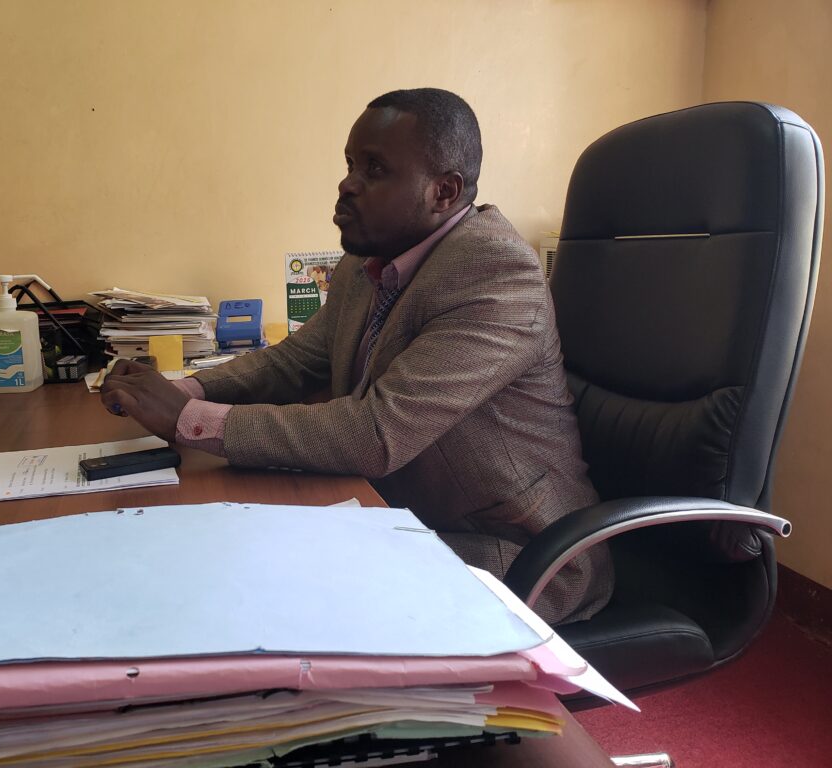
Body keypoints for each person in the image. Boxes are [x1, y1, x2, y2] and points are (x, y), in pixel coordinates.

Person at [101, 88, 613, 624]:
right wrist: (182, 391)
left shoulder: (496, 274)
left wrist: (188, 420)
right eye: (350, 164)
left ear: (443, 191)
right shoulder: (368, 261)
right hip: (403, 512)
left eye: (375, 169)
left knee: (266, 585)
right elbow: (294, 361)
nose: (347, 184)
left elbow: (376, 433)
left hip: (518, 553)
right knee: (233, 546)